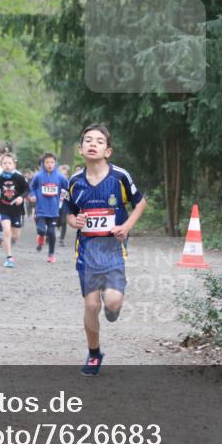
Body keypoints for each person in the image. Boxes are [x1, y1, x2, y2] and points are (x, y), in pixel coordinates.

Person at [66, 124, 146, 375]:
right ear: (81, 149)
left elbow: (140, 202)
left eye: (99, 141)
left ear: (108, 150)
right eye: (88, 140)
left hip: (113, 250)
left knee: (111, 302)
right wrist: (73, 221)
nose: (93, 144)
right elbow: (69, 211)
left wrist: (126, 225)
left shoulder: (119, 177)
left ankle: (113, 308)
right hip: (87, 252)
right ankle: (93, 353)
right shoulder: (75, 182)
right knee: (91, 306)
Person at [0, 154, 29, 268]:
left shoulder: (19, 177)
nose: (7, 165)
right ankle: (9, 257)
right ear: (1, 165)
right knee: (7, 231)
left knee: (15, 235)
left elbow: (27, 189)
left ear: (14, 165)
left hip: (16, 209)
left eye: (9, 163)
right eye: (4, 163)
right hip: (4, 207)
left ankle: (9, 244)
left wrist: (21, 197)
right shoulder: (0, 178)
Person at [29, 153, 69, 263]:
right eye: (47, 162)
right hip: (41, 209)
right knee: (41, 230)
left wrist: (64, 198)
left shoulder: (61, 177)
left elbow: (68, 188)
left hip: (54, 210)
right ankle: (41, 237)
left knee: (51, 233)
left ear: (55, 163)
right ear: (43, 163)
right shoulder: (38, 176)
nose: (50, 164)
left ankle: (51, 254)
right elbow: (32, 187)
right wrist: (32, 195)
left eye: (52, 162)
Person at [57, 164, 71, 246]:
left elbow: (71, 196)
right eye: (62, 174)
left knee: (64, 222)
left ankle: (62, 240)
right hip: (55, 205)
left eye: (65, 174)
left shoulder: (69, 184)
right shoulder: (55, 184)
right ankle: (51, 233)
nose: (63, 176)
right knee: (56, 221)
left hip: (65, 206)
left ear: (67, 175)